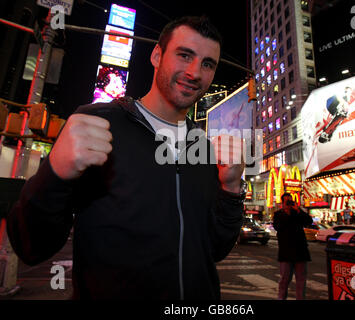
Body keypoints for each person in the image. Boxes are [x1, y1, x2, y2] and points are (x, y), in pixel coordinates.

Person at [6, 16, 246, 300]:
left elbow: (214, 249)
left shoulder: (205, 149)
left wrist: (231, 190)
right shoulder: (97, 123)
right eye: (184, 55)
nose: (195, 72)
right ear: (157, 55)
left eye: (208, 64)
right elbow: (31, 247)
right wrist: (55, 173)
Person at [273, 193, 313, 300]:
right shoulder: (278, 214)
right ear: (282, 203)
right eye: (287, 201)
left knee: (301, 280)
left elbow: (309, 221)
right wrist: (287, 212)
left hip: (300, 251)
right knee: (284, 279)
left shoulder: (298, 213)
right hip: (286, 252)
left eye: (290, 201)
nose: (289, 203)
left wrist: (298, 210)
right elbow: (278, 227)